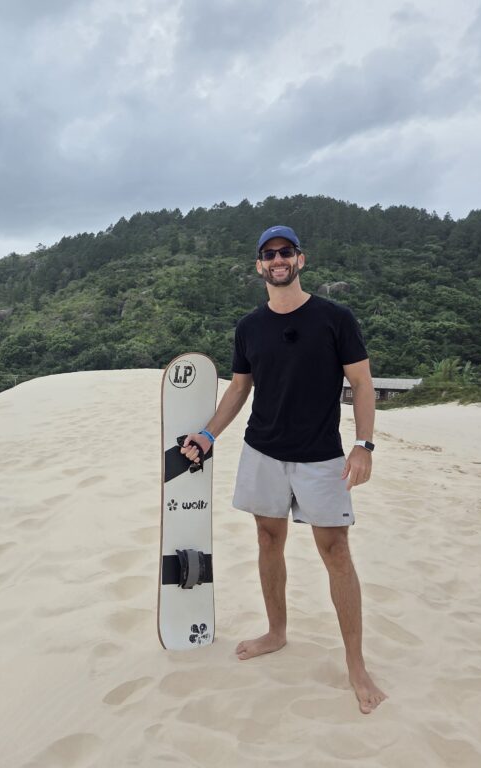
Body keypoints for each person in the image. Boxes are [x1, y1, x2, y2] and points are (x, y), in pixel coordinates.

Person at [181, 224, 387, 714]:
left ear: (300, 259)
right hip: (263, 451)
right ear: (259, 265)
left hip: (322, 456)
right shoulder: (249, 327)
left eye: (286, 252)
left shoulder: (335, 318)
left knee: (336, 552)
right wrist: (208, 435)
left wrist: (363, 445)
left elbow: (362, 383)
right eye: (269, 254)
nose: (278, 260)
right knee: (268, 540)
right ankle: (276, 632)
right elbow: (239, 389)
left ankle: (356, 665)